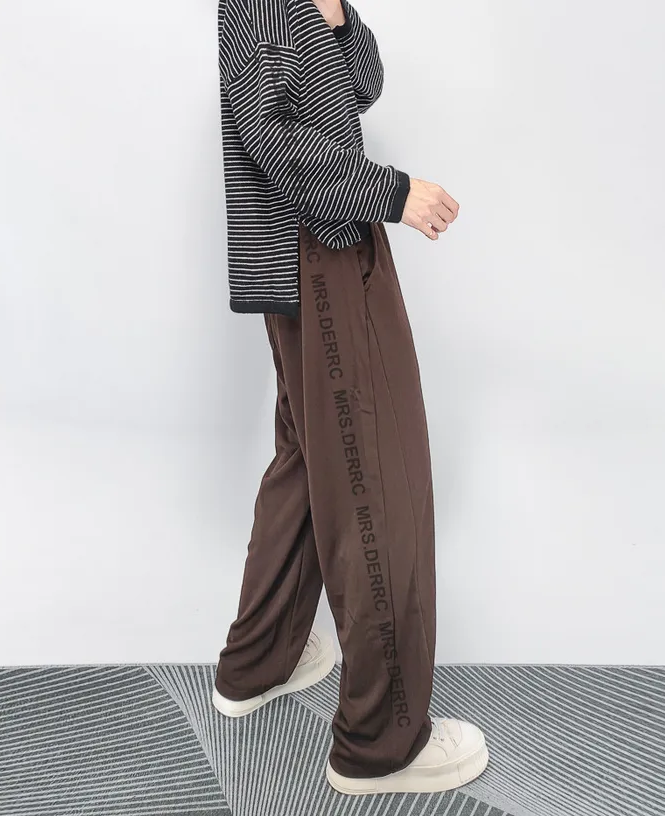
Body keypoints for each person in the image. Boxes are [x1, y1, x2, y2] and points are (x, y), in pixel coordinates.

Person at [213, 0, 489, 795]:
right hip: (321, 248)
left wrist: (334, 14)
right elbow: (272, 141)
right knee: (377, 480)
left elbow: (361, 84)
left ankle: (257, 661)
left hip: (315, 247)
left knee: (310, 462)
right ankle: (379, 742)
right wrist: (395, 193)